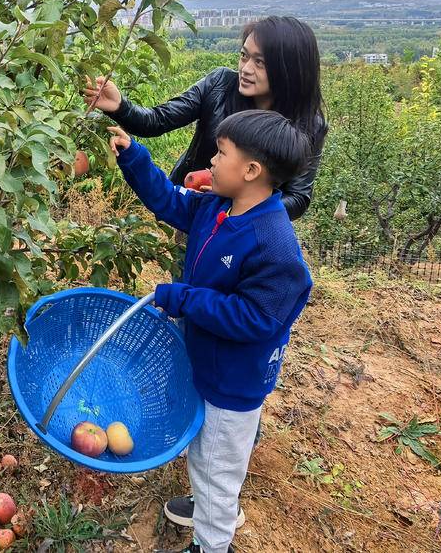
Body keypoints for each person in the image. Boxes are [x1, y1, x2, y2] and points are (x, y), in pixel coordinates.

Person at [109, 109, 313, 553]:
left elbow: (258, 318)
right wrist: (133, 155)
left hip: (232, 383)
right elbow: (168, 199)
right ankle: (205, 522)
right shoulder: (218, 207)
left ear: (251, 171)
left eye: (221, 154)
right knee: (202, 457)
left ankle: (212, 545)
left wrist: (186, 299)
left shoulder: (274, 245)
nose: (212, 162)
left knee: (217, 471)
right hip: (205, 363)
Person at [83, 16, 327, 220]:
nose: (246, 68)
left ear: (289, 70)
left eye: (260, 62)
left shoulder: (309, 124)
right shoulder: (220, 84)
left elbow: (298, 197)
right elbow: (158, 120)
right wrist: (120, 107)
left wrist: (239, 207)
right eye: (244, 56)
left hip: (246, 228)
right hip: (192, 207)